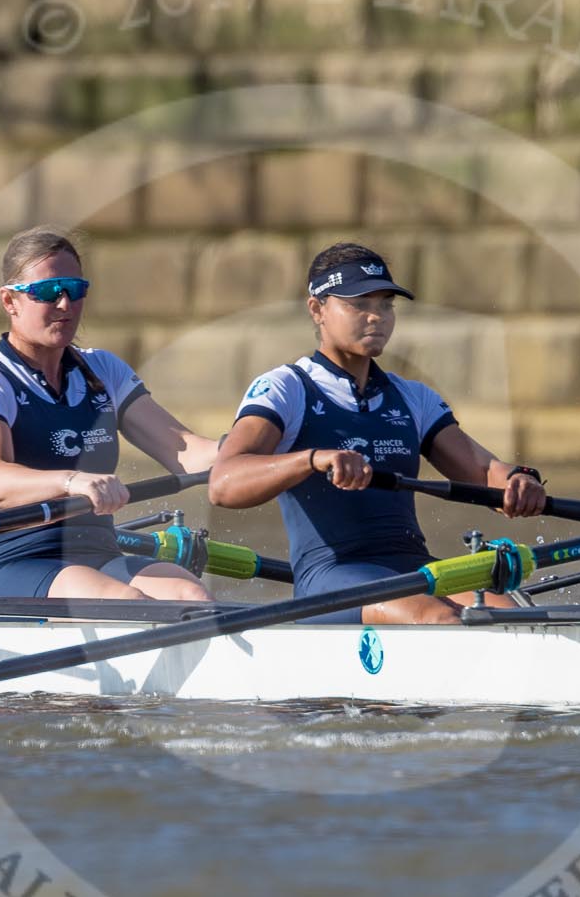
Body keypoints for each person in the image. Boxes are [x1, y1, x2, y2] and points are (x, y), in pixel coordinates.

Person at [209, 241, 548, 624]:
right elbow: (222, 484)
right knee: (439, 619)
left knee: (517, 617)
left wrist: (518, 482)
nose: (376, 317)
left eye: (385, 304)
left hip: (414, 567)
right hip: (331, 578)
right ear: (317, 309)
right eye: (359, 304)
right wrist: (312, 460)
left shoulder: (413, 397)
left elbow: (483, 473)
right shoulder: (286, 389)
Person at [0, 227, 219, 600]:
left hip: (97, 554)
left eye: (74, 290)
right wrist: (72, 481)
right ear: (10, 301)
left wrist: (266, 453)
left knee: (191, 594)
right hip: (15, 561)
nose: (64, 304)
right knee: (128, 602)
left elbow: (187, 452)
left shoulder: (103, 371)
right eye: (47, 292)